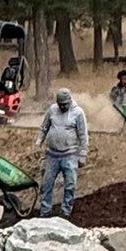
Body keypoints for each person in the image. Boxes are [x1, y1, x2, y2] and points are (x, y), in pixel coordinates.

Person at [37, 88, 88, 216]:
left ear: (69, 101)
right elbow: (44, 127)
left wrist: (83, 154)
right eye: (60, 104)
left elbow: (83, 135)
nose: (63, 107)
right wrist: (38, 142)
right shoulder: (52, 110)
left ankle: (66, 211)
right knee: (47, 184)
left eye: (65, 104)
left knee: (70, 184)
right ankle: (45, 211)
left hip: (70, 155)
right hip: (52, 155)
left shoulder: (78, 113)